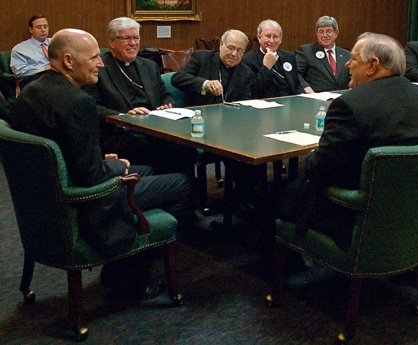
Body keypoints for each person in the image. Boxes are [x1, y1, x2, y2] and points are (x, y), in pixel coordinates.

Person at [8, 28, 195, 299]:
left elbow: (58, 149)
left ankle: (123, 265)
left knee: (149, 170)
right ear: (69, 61)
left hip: (46, 195)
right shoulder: (77, 102)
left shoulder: (31, 91)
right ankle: (131, 273)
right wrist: (117, 166)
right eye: (94, 57)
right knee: (183, 182)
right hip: (83, 200)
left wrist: (101, 159)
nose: (100, 63)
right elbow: (90, 178)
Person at [275, 33, 418, 249]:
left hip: (355, 213)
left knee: (275, 197)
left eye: (353, 59)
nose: (348, 65)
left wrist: (311, 157)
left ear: (372, 66)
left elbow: (321, 169)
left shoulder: (349, 104)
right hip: (410, 208)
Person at [83, 17, 196, 175]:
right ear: (112, 42)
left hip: (156, 129)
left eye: (136, 37)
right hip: (120, 133)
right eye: (126, 38)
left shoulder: (149, 66)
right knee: (156, 148)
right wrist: (124, 116)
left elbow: (164, 94)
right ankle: (163, 188)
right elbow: (92, 107)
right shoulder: (99, 69)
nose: (133, 43)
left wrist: (166, 104)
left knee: (186, 147)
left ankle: (185, 194)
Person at [172, 29, 253, 106]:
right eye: (231, 48)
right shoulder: (202, 58)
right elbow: (177, 78)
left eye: (239, 50)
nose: (234, 54)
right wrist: (205, 83)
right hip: (199, 114)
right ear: (221, 44)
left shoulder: (246, 72)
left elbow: (246, 101)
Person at [242, 19, 305, 99]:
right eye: (268, 36)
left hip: (291, 104)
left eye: (275, 37)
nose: (271, 41)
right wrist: (266, 67)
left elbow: (296, 85)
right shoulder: (248, 60)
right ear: (259, 38)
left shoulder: (289, 56)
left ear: (280, 39)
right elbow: (253, 91)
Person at [295, 16, 351, 93]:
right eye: (321, 31)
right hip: (316, 98)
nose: (325, 35)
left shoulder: (347, 54)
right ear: (317, 33)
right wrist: (306, 88)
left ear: (336, 33)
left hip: (341, 99)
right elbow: (295, 74)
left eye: (329, 31)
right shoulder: (306, 51)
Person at [10, 14, 51, 89]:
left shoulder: (56, 42)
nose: (43, 30)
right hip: (35, 81)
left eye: (45, 26)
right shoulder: (19, 49)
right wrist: (44, 69)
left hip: (58, 77)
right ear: (31, 29)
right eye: (38, 27)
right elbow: (19, 71)